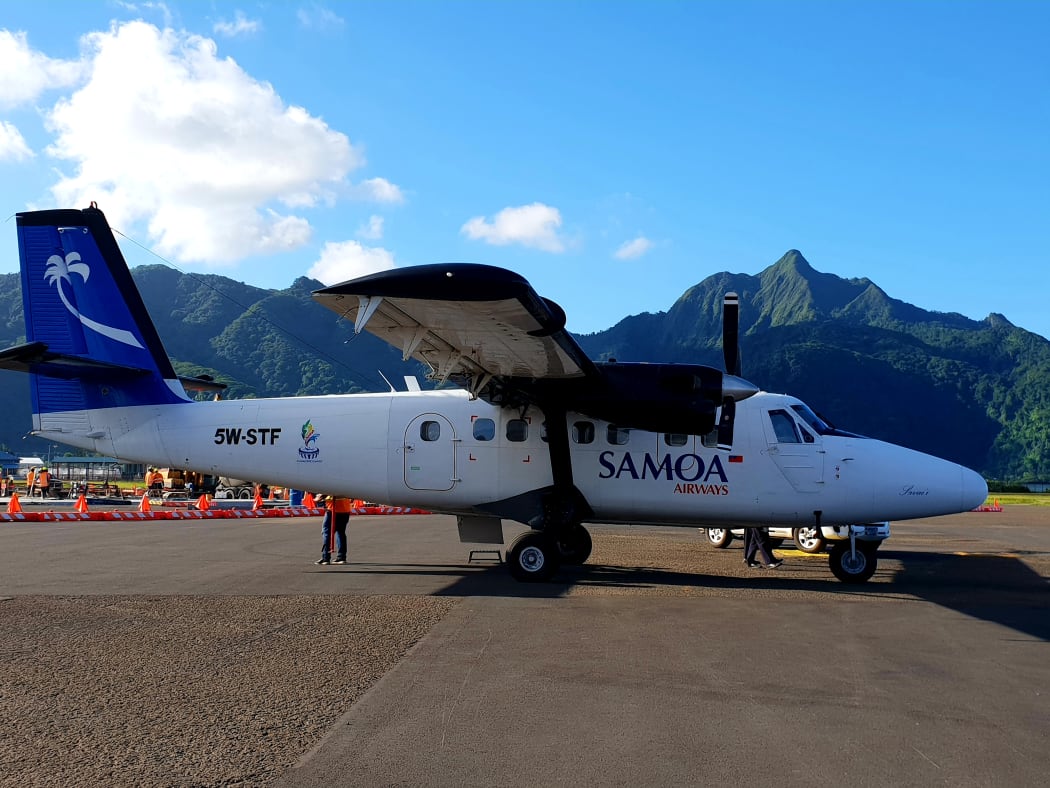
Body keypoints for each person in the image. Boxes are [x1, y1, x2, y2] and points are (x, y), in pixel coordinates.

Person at [315, 494, 352, 566]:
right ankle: (341, 557)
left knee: (327, 533)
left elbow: (327, 493)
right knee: (340, 532)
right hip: (345, 510)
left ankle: (326, 557)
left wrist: (320, 496)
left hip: (333, 510)